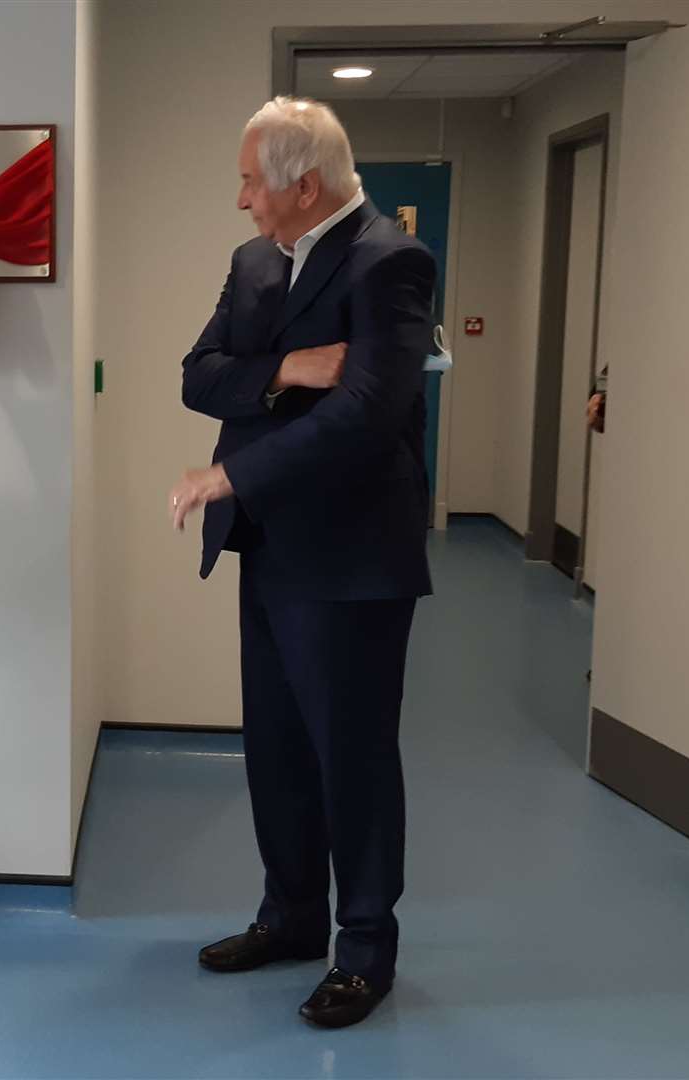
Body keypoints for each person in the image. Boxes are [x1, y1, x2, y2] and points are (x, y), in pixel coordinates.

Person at [169, 97, 436, 1029]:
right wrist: (284, 368)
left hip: (355, 557)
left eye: (251, 180)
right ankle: (289, 919)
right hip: (272, 547)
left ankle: (364, 950)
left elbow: (366, 413)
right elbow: (199, 372)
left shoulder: (389, 262)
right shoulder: (252, 263)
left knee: (351, 758)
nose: (241, 198)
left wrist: (230, 472)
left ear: (303, 184)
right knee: (277, 753)